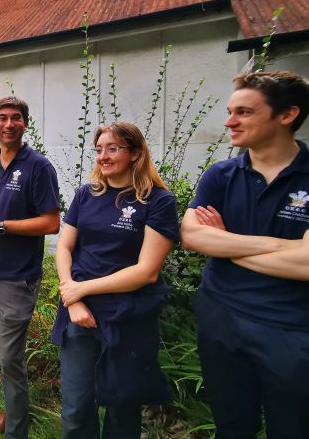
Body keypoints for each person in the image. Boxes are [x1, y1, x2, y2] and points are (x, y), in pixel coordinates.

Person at [181, 70, 309, 438]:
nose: (229, 122)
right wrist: (283, 246)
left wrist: (228, 244)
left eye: (244, 112)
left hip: (292, 331)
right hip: (221, 322)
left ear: (286, 115)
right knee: (232, 426)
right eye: (230, 110)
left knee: (293, 428)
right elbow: (192, 235)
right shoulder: (220, 175)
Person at [51, 122, 178, 438]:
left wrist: (82, 289)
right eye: (98, 150)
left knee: (123, 408)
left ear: (135, 153)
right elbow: (64, 247)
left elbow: (147, 270)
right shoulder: (87, 194)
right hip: (79, 315)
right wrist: (74, 298)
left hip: (130, 317)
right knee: (77, 408)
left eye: (112, 149)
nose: (103, 157)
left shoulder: (158, 201)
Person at [0, 96, 60, 438]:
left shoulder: (38, 167)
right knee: (5, 352)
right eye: (2, 118)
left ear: (25, 124)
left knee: (9, 357)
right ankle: (12, 408)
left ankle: (17, 427)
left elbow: (52, 223)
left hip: (16, 280)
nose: (9, 123)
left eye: (16, 118)